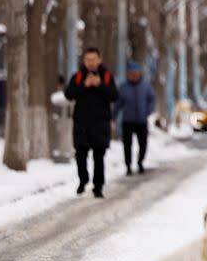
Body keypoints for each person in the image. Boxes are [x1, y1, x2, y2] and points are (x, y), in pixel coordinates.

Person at [64, 46, 118, 197]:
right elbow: (69, 94)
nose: (91, 63)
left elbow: (114, 96)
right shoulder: (78, 76)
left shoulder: (107, 77)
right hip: (81, 123)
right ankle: (83, 179)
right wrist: (84, 85)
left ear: (99, 60)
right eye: (88, 60)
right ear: (84, 60)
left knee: (99, 156)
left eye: (94, 59)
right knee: (80, 155)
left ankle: (98, 186)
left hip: (100, 124)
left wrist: (100, 85)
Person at [114, 61, 155, 175]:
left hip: (142, 121)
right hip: (127, 121)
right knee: (127, 145)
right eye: (131, 74)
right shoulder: (123, 87)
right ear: (128, 74)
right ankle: (128, 166)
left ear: (139, 73)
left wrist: (148, 111)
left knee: (143, 144)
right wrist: (113, 116)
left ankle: (140, 162)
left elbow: (151, 99)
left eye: (136, 73)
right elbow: (118, 103)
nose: (134, 76)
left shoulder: (146, 86)